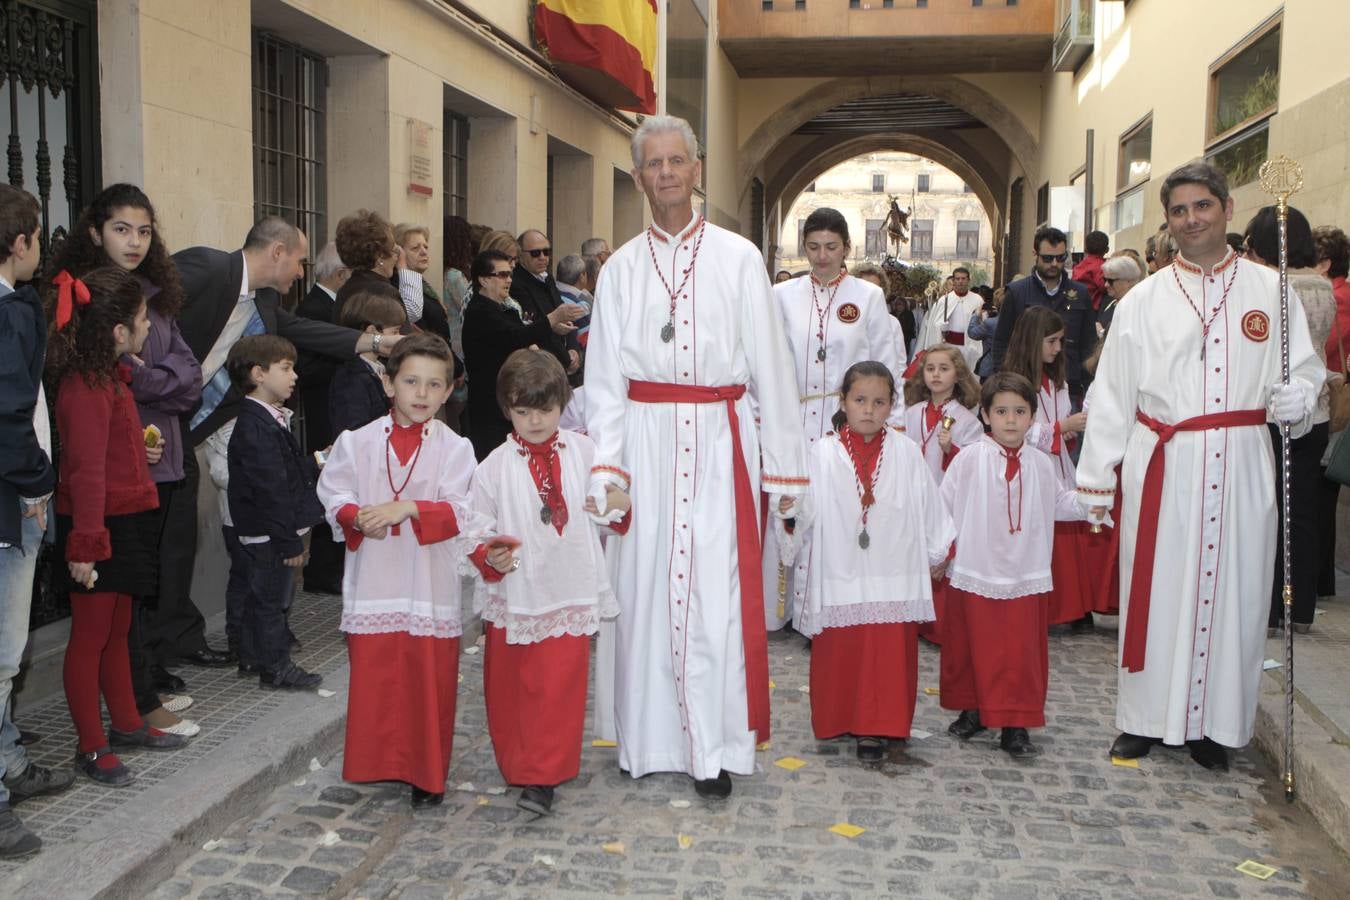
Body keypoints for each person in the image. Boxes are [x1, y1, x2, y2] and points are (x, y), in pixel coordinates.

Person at [585, 114, 808, 798]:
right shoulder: (620, 269)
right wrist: (607, 470)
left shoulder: (740, 258)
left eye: (676, 161)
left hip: (720, 443)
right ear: (637, 177)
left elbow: (773, 367)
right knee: (647, 592)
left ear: (698, 168)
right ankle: (649, 743)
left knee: (716, 596)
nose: (666, 174)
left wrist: (786, 469)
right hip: (647, 449)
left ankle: (714, 749)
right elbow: (604, 382)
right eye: (652, 164)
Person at [1078, 161, 1323, 772]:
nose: (1191, 220)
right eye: (1179, 211)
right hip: (1166, 460)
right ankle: (1144, 720)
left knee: (1236, 592)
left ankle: (1217, 727)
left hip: (1241, 461)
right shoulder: (1144, 300)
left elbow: (1306, 374)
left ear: (1226, 209)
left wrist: (1298, 398)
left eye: (1202, 207)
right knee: (1156, 592)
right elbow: (1113, 392)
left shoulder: (1273, 292)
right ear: (1168, 221)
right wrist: (1097, 477)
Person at [165, 217, 393, 672]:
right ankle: (178, 644)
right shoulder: (208, 268)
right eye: (299, 261)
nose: (300, 272)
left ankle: (190, 638)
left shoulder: (265, 301)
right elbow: (148, 307)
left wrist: (374, 341)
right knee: (176, 537)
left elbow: (302, 331)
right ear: (277, 252)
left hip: (204, 421)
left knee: (184, 536)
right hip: (162, 414)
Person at [47, 183, 203, 732]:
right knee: (109, 622)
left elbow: (190, 379)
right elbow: (89, 452)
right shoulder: (89, 308)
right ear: (95, 231)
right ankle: (123, 715)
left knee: (133, 604)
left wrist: (143, 378)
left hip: (148, 475)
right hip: (106, 498)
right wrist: (144, 378)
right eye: (121, 229)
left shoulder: (153, 301)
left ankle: (136, 704)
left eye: (143, 231)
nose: (135, 241)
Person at [316, 334, 474, 808]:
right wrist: (353, 517)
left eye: (434, 385)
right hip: (376, 577)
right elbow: (334, 491)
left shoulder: (456, 447)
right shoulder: (356, 442)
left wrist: (406, 508)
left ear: (448, 392)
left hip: (428, 581)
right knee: (379, 674)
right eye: (411, 382)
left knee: (428, 681)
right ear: (388, 384)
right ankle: (379, 762)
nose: (422, 394)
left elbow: (462, 508)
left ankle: (426, 773)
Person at [469, 349, 627, 815]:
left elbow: (617, 501)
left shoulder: (586, 452)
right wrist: (489, 553)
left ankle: (545, 776)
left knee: (560, 686)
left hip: (570, 586)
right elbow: (476, 528)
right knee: (512, 686)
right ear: (506, 409)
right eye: (522, 411)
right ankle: (518, 764)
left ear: (563, 404)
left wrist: (614, 503)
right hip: (516, 593)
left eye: (545, 409)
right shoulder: (493, 466)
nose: (535, 421)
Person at [785, 361, 953, 761]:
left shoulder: (907, 451)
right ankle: (838, 718)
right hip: (840, 566)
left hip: (892, 567)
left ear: (892, 405)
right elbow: (803, 510)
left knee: (885, 653)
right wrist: (792, 509)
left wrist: (937, 548)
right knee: (843, 649)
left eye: (879, 402)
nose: (868, 410)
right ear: (843, 401)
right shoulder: (821, 453)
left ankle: (878, 727)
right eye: (859, 400)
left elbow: (929, 502)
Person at [762, 207, 902, 632]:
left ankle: (829, 611)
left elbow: (885, 360)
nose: (822, 257)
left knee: (837, 512)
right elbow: (767, 358)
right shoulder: (782, 295)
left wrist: (885, 419)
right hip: (794, 417)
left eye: (831, 247)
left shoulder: (867, 296)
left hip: (849, 421)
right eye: (813, 247)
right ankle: (785, 607)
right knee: (790, 505)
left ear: (847, 248)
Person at [941, 373, 1091, 759]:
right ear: (986, 416)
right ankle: (975, 709)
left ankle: (1015, 722)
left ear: (1032, 418)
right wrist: (939, 553)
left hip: (1025, 570)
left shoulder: (1042, 464)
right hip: (977, 568)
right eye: (1002, 411)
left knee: (1020, 652)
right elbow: (941, 508)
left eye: (1020, 412)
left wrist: (1093, 501)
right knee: (975, 645)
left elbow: (1059, 503)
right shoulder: (968, 459)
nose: (1011, 420)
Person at [0, 185, 73, 856]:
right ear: (20, 244)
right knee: (1, 658)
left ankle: (10, 763)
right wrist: (39, 485)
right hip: (9, 503)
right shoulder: (10, 314)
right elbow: (10, 415)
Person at [1244, 206, 1335, 634]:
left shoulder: (1274, 287)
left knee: (1271, 508)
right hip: (1315, 409)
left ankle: (1272, 605)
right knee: (1303, 510)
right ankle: (1300, 607)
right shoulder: (1323, 284)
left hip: (1278, 406)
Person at [225, 335, 325, 691]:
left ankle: (252, 655)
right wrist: (289, 542)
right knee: (271, 603)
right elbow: (271, 491)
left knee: (261, 596)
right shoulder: (256, 426)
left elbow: (282, 473)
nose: (294, 375)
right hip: (270, 533)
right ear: (258, 374)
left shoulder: (267, 419)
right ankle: (276, 668)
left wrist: (314, 462)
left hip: (267, 530)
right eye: (286, 368)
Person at [1001, 306, 1100, 633]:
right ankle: (1043, 608)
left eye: (1061, 341)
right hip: (1030, 467)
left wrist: (1066, 430)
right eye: (1052, 341)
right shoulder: (1015, 381)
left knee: (1066, 538)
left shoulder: (1055, 377)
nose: (1058, 349)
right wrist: (1060, 427)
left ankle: (1069, 607)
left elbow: (1057, 417)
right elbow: (1015, 429)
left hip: (1057, 464)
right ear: (1034, 341)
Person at [462, 249, 580, 460]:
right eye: (501, 275)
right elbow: (514, 336)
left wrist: (551, 329)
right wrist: (553, 317)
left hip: (508, 403)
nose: (508, 280)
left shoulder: (501, 309)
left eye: (509, 274)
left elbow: (521, 335)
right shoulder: (479, 311)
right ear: (483, 280)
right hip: (489, 408)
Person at [902, 344, 982, 645]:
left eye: (944, 369)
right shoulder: (913, 414)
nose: (936, 374)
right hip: (915, 495)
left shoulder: (966, 419)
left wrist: (952, 450)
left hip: (945, 495)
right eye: (930, 368)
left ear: (958, 375)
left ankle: (940, 626)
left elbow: (974, 465)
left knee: (942, 554)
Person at [296, 241, 352, 595]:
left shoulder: (329, 306)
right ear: (341, 274)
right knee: (326, 483)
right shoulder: (313, 309)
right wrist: (345, 357)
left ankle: (330, 566)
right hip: (321, 411)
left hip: (334, 408)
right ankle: (321, 569)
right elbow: (306, 367)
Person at [993, 227, 1096, 403]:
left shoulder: (1080, 293)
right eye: (1048, 258)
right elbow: (1002, 342)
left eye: (1061, 258)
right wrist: (1002, 385)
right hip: (1026, 386)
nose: (1054, 263)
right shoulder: (1017, 293)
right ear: (1035, 254)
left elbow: (1089, 344)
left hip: (1070, 386)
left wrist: (1089, 385)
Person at [1313, 225, 1350, 598]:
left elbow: (1319, 344)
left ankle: (1320, 579)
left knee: (1321, 492)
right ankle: (1322, 578)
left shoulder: (1334, 297)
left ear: (1323, 262)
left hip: (1330, 400)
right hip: (1337, 397)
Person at [330, 291, 406, 440]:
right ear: (372, 331)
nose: (398, 337)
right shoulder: (351, 378)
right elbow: (355, 431)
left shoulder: (379, 368)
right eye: (395, 331)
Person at [512, 229, 581, 376]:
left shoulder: (547, 277)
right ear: (520, 255)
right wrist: (566, 360)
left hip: (562, 359)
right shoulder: (516, 284)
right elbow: (536, 326)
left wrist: (573, 350)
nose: (543, 257)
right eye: (535, 253)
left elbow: (566, 315)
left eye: (546, 251)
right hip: (542, 367)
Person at [393, 222, 453, 346]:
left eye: (425, 247)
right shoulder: (397, 285)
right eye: (415, 248)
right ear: (399, 254)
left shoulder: (421, 282)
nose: (424, 252)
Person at [915, 267, 984, 372]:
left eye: (963, 278)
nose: (960, 281)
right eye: (957, 279)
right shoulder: (944, 300)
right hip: (949, 347)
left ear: (968, 280)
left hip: (970, 347)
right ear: (953, 281)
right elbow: (933, 325)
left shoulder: (977, 300)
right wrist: (941, 326)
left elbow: (983, 324)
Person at [1096, 254, 1144, 337]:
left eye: (1110, 281)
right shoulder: (1110, 301)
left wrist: (1101, 333)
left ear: (1128, 281)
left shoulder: (1136, 307)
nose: (1106, 285)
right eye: (1105, 280)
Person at [966, 285, 1000, 378]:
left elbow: (972, 333)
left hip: (990, 366)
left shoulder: (991, 323)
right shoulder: (1018, 320)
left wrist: (976, 315)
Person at [1072, 230, 1110, 311]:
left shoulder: (1078, 266)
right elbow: (1104, 287)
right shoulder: (1102, 266)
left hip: (1077, 306)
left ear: (1086, 249)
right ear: (1107, 249)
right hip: (1094, 309)